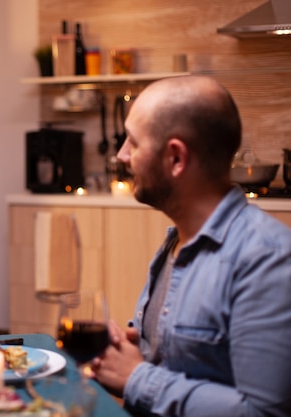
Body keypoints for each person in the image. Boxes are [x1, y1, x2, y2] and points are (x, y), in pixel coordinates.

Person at [89, 76, 291, 417]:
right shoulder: (176, 241)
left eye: (133, 143)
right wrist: (136, 348)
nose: (122, 155)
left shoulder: (265, 258)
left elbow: (263, 412)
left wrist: (137, 377)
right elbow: (193, 359)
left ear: (176, 158)